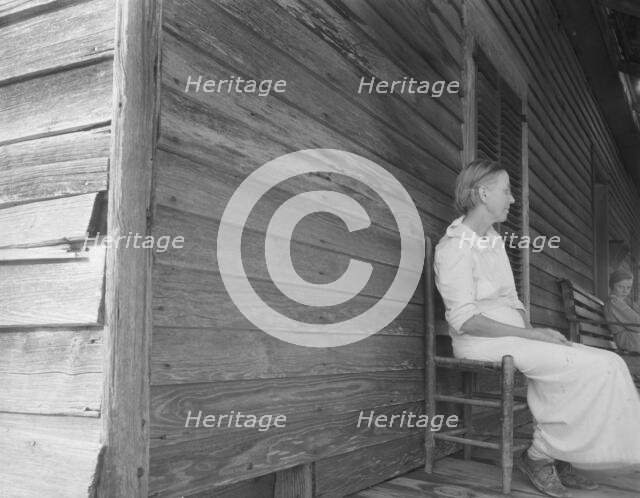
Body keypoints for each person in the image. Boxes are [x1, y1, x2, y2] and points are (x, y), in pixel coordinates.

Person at [434, 159, 640, 498]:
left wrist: (534, 332)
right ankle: (539, 457)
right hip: (479, 341)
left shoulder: (493, 240)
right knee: (592, 365)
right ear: (483, 193)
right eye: (506, 191)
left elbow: (512, 300)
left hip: (515, 338)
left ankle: (560, 452)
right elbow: (465, 320)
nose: (512, 199)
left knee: (610, 363)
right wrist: (531, 336)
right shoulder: (454, 247)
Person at [604, 269, 640, 353]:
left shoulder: (619, 302)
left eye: (628, 287)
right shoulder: (614, 302)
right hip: (629, 341)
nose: (625, 291)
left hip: (631, 338)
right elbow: (637, 323)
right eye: (620, 287)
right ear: (612, 286)